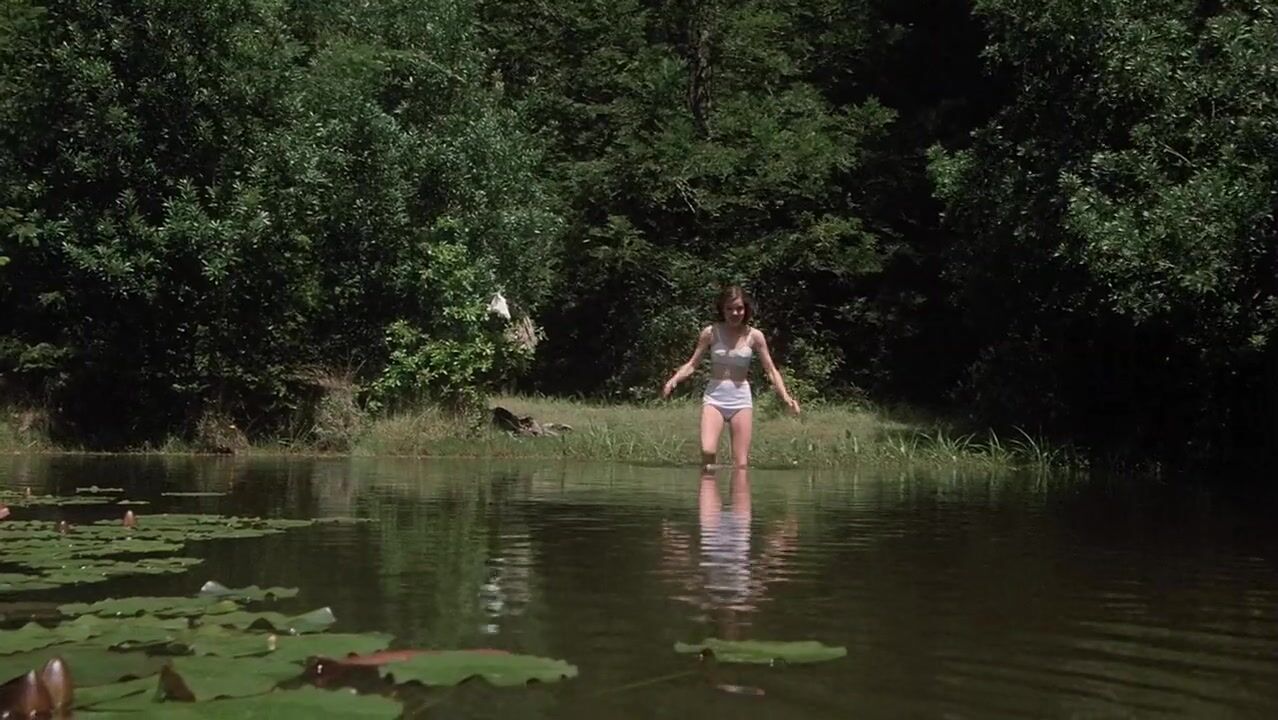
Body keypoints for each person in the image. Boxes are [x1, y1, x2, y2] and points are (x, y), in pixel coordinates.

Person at [661, 286, 800, 470]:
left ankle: (736, 486)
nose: (735, 313)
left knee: (741, 464)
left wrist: (786, 397)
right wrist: (673, 380)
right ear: (722, 309)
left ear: (746, 309)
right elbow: (692, 364)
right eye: (730, 309)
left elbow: (771, 370)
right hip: (715, 397)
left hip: (740, 399)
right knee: (708, 451)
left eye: (739, 308)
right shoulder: (711, 332)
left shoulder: (755, 336)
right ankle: (710, 485)